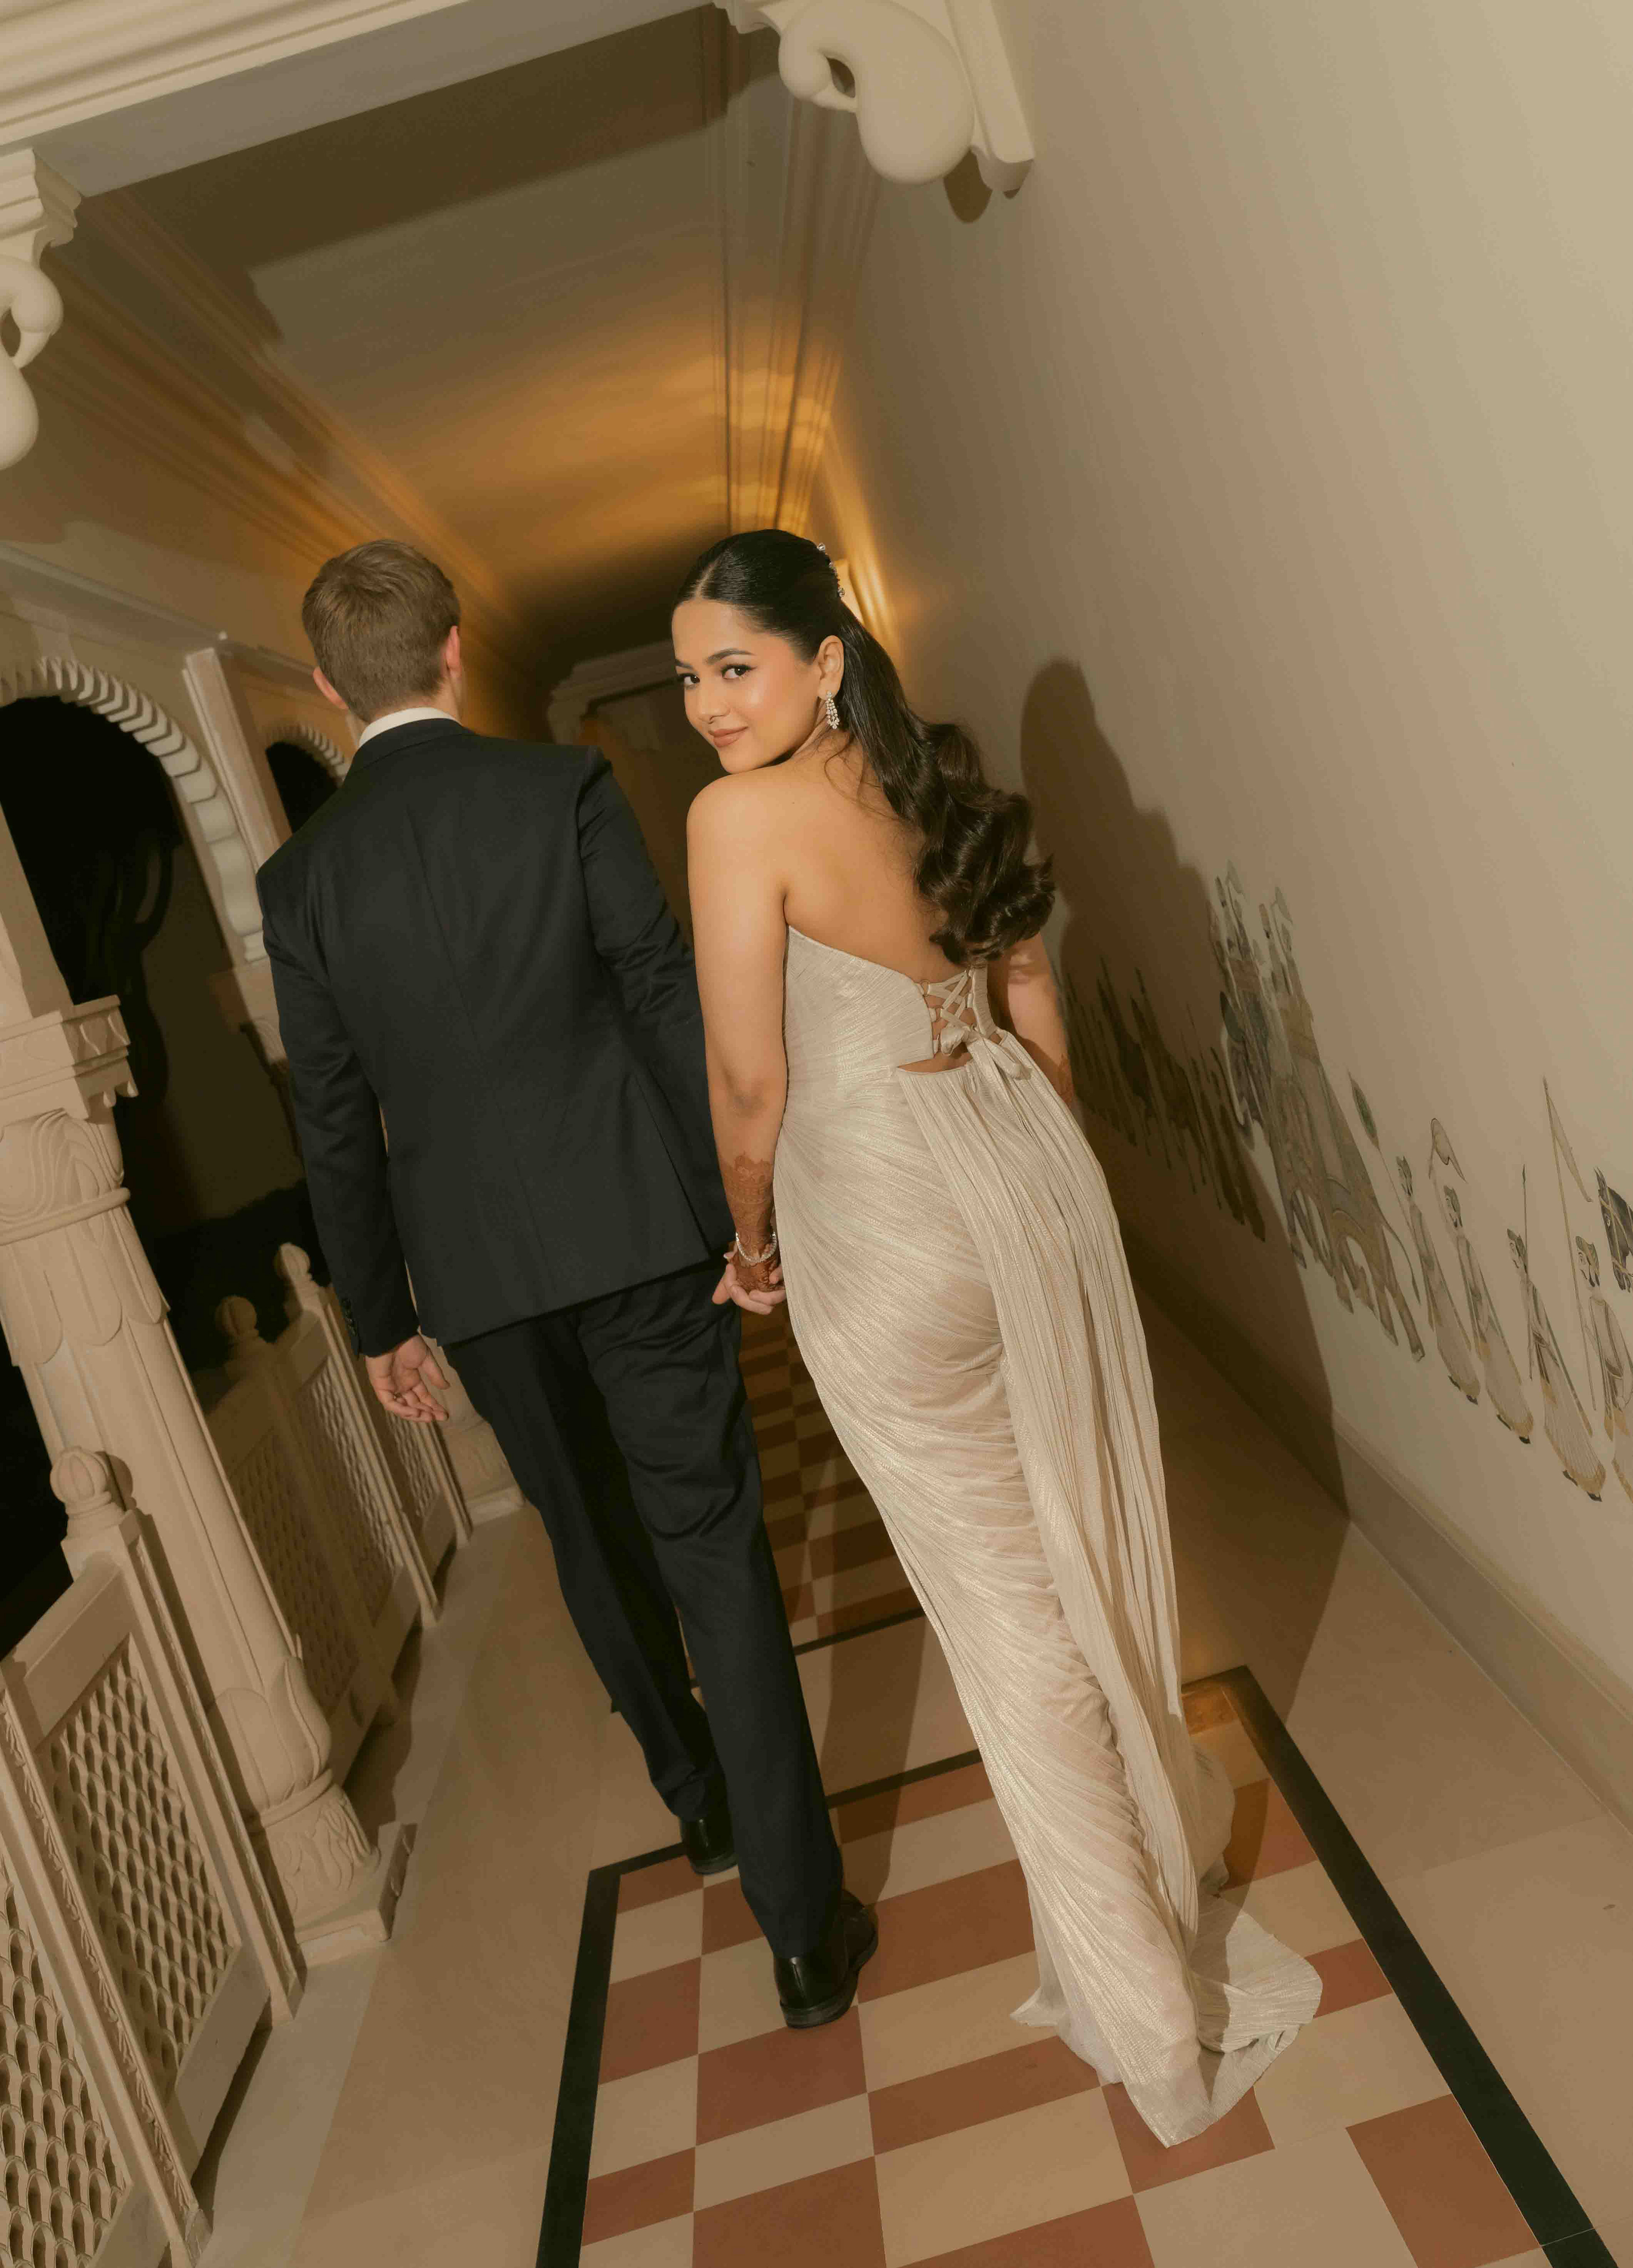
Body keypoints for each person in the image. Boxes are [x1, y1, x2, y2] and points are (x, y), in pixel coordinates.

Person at [674, 528, 1320, 2145]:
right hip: (1026, 1177)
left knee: (1004, 1619)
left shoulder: (736, 819)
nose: (706, 703)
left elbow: (750, 1086)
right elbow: (1031, 994)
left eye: (733, 666)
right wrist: (1044, 1185)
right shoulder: (939, 790)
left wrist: (748, 1246)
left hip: (886, 1228)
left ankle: (1150, 2013)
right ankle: (1158, 1872)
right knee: (1077, 1533)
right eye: (688, 677)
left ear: (826, 660)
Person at [257, 539, 869, 2027]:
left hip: (475, 1277)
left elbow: (330, 1112)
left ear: (330, 686)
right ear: (458, 649)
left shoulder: (300, 880)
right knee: (712, 1543)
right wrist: (735, 1206)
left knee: (588, 1537)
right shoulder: (560, 790)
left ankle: (698, 1797)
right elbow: (660, 989)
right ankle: (802, 1930)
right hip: (640, 1227)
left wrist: (382, 1316)